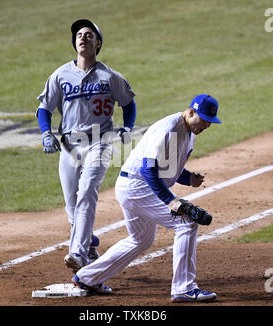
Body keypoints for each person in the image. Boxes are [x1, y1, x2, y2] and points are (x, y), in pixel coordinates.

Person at [71, 94, 222, 302]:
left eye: (210, 121)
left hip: (134, 186)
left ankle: (87, 277)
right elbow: (149, 169)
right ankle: (183, 288)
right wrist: (171, 201)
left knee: (140, 239)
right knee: (187, 222)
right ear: (190, 112)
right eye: (204, 119)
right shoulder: (169, 129)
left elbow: (169, 166)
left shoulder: (190, 131)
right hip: (137, 186)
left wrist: (190, 178)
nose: (207, 124)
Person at [36, 19, 137, 272]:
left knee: (87, 191)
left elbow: (128, 103)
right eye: (79, 35)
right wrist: (46, 133)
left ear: (98, 43)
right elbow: (44, 108)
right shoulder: (60, 75)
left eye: (89, 35)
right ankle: (90, 244)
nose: (82, 37)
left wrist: (127, 126)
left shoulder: (110, 76)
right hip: (70, 144)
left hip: (100, 142)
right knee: (71, 205)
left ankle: (78, 253)